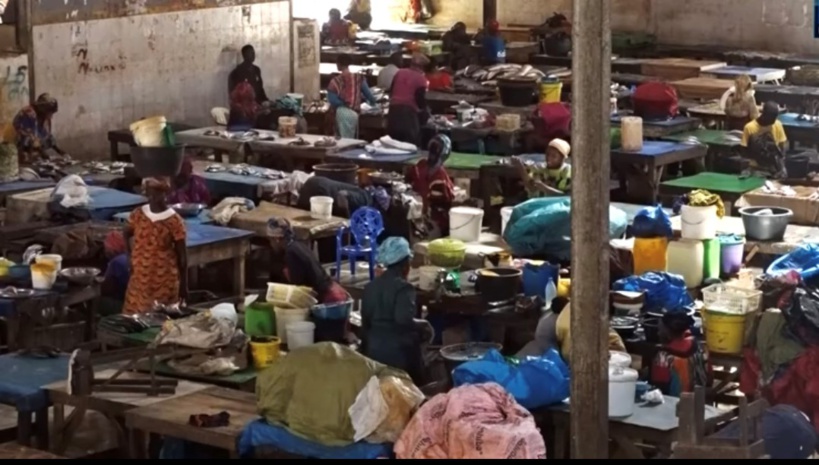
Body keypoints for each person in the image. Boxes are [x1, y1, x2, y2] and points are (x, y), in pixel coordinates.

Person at [361, 237, 426, 383]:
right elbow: (403, 320)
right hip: (398, 353)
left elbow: (365, 323)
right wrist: (423, 325)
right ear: (406, 266)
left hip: (373, 350)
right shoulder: (404, 288)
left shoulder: (370, 287)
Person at [122, 177, 188, 314]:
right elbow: (126, 233)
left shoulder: (175, 221)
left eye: (157, 193)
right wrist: (129, 256)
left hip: (164, 279)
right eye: (150, 193)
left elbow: (182, 257)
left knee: (159, 318)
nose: (153, 197)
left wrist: (183, 285)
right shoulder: (138, 214)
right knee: (134, 317)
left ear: (165, 194)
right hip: (139, 278)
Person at [267, 217, 349, 304]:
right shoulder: (299, 245)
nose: (270, 244)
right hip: (335, 291)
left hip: (329, 300)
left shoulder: (291, 254)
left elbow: (299, 289)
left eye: (270, 240)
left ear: (277, 239)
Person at [649, 312, 712, 396]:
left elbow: (658, 392)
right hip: (699, 403)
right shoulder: (701, 348)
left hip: (675, 406)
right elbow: (709, 380)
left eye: (660, 330)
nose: (658, 333)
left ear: (667, 333)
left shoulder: (663, 358)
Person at [409, 134, 455, 237]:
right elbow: (442, 200)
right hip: (430, 223)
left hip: (415, 219)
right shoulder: (439, 175)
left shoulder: (420, 165)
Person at [327, 55, 377, 139]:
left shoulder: (335, 81)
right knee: (350, 140)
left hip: (340, 114)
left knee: (341, 139)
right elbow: (369, 95)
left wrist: (343, 103)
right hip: (354, 114)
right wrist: (374, 103)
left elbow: (332, 100)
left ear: (339, 65)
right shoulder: (359, 78)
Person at [387, 53, 430, 146]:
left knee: (393, 143)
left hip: (393, 112)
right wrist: (426, 113)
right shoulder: (421, 79)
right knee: (410, 145)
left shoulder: (399, 72)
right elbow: (420, 101)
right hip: (408, 115)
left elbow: (391, 90)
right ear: (422, 67)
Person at [13, 93, 66, 164]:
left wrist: (60, 151)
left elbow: (48, 136)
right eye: (50, 113)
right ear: (43, 109)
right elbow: (30, 138)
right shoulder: (29, 115)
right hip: (24, 145)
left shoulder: (44, 118)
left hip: (36, 145)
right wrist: (43, 153)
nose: (51, 116)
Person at [741, 101, 787, 177]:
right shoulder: (749, 127)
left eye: (774, 118)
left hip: (773, 166)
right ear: (763, 114)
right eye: (771, 117)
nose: (773, 120)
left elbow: (782, 149)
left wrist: (782, 167)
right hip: (755, 167)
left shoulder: (778, 125)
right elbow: (744, 150)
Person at [100, 230, 130, 314]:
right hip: (138, 302)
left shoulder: (116, 263)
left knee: (93, 300)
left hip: (124, 306)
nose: (105, 251)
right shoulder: (130, 257)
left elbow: (106, 290)